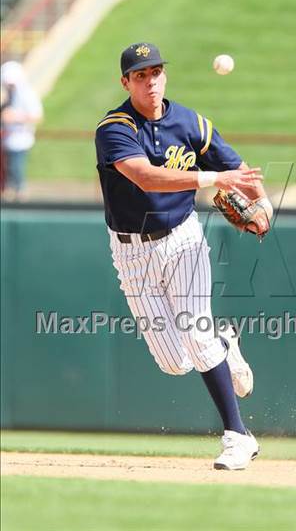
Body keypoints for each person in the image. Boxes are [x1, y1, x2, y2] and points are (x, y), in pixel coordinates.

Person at [95, 42, 273, 470]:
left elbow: (241, 171)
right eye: (140, 74)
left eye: (156, 71)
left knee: (195, 333)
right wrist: (213, 178)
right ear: (126, 82)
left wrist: (263, 206)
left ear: (165, 76)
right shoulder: (114, 128)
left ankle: (237, 436)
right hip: (130, 251)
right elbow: (147, 178)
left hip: (182, 240)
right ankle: (225, 343)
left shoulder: (190, 122)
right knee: (175, 363)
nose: (151, 80)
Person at [0, 61, 43, 201]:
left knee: (16, 168)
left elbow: (37, 116)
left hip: (20, 138)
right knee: (9, 168)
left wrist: (15, 117)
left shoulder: (26, 94)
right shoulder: (11, 94)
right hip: (9, 138)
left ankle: (19, 194)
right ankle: (12, 192)